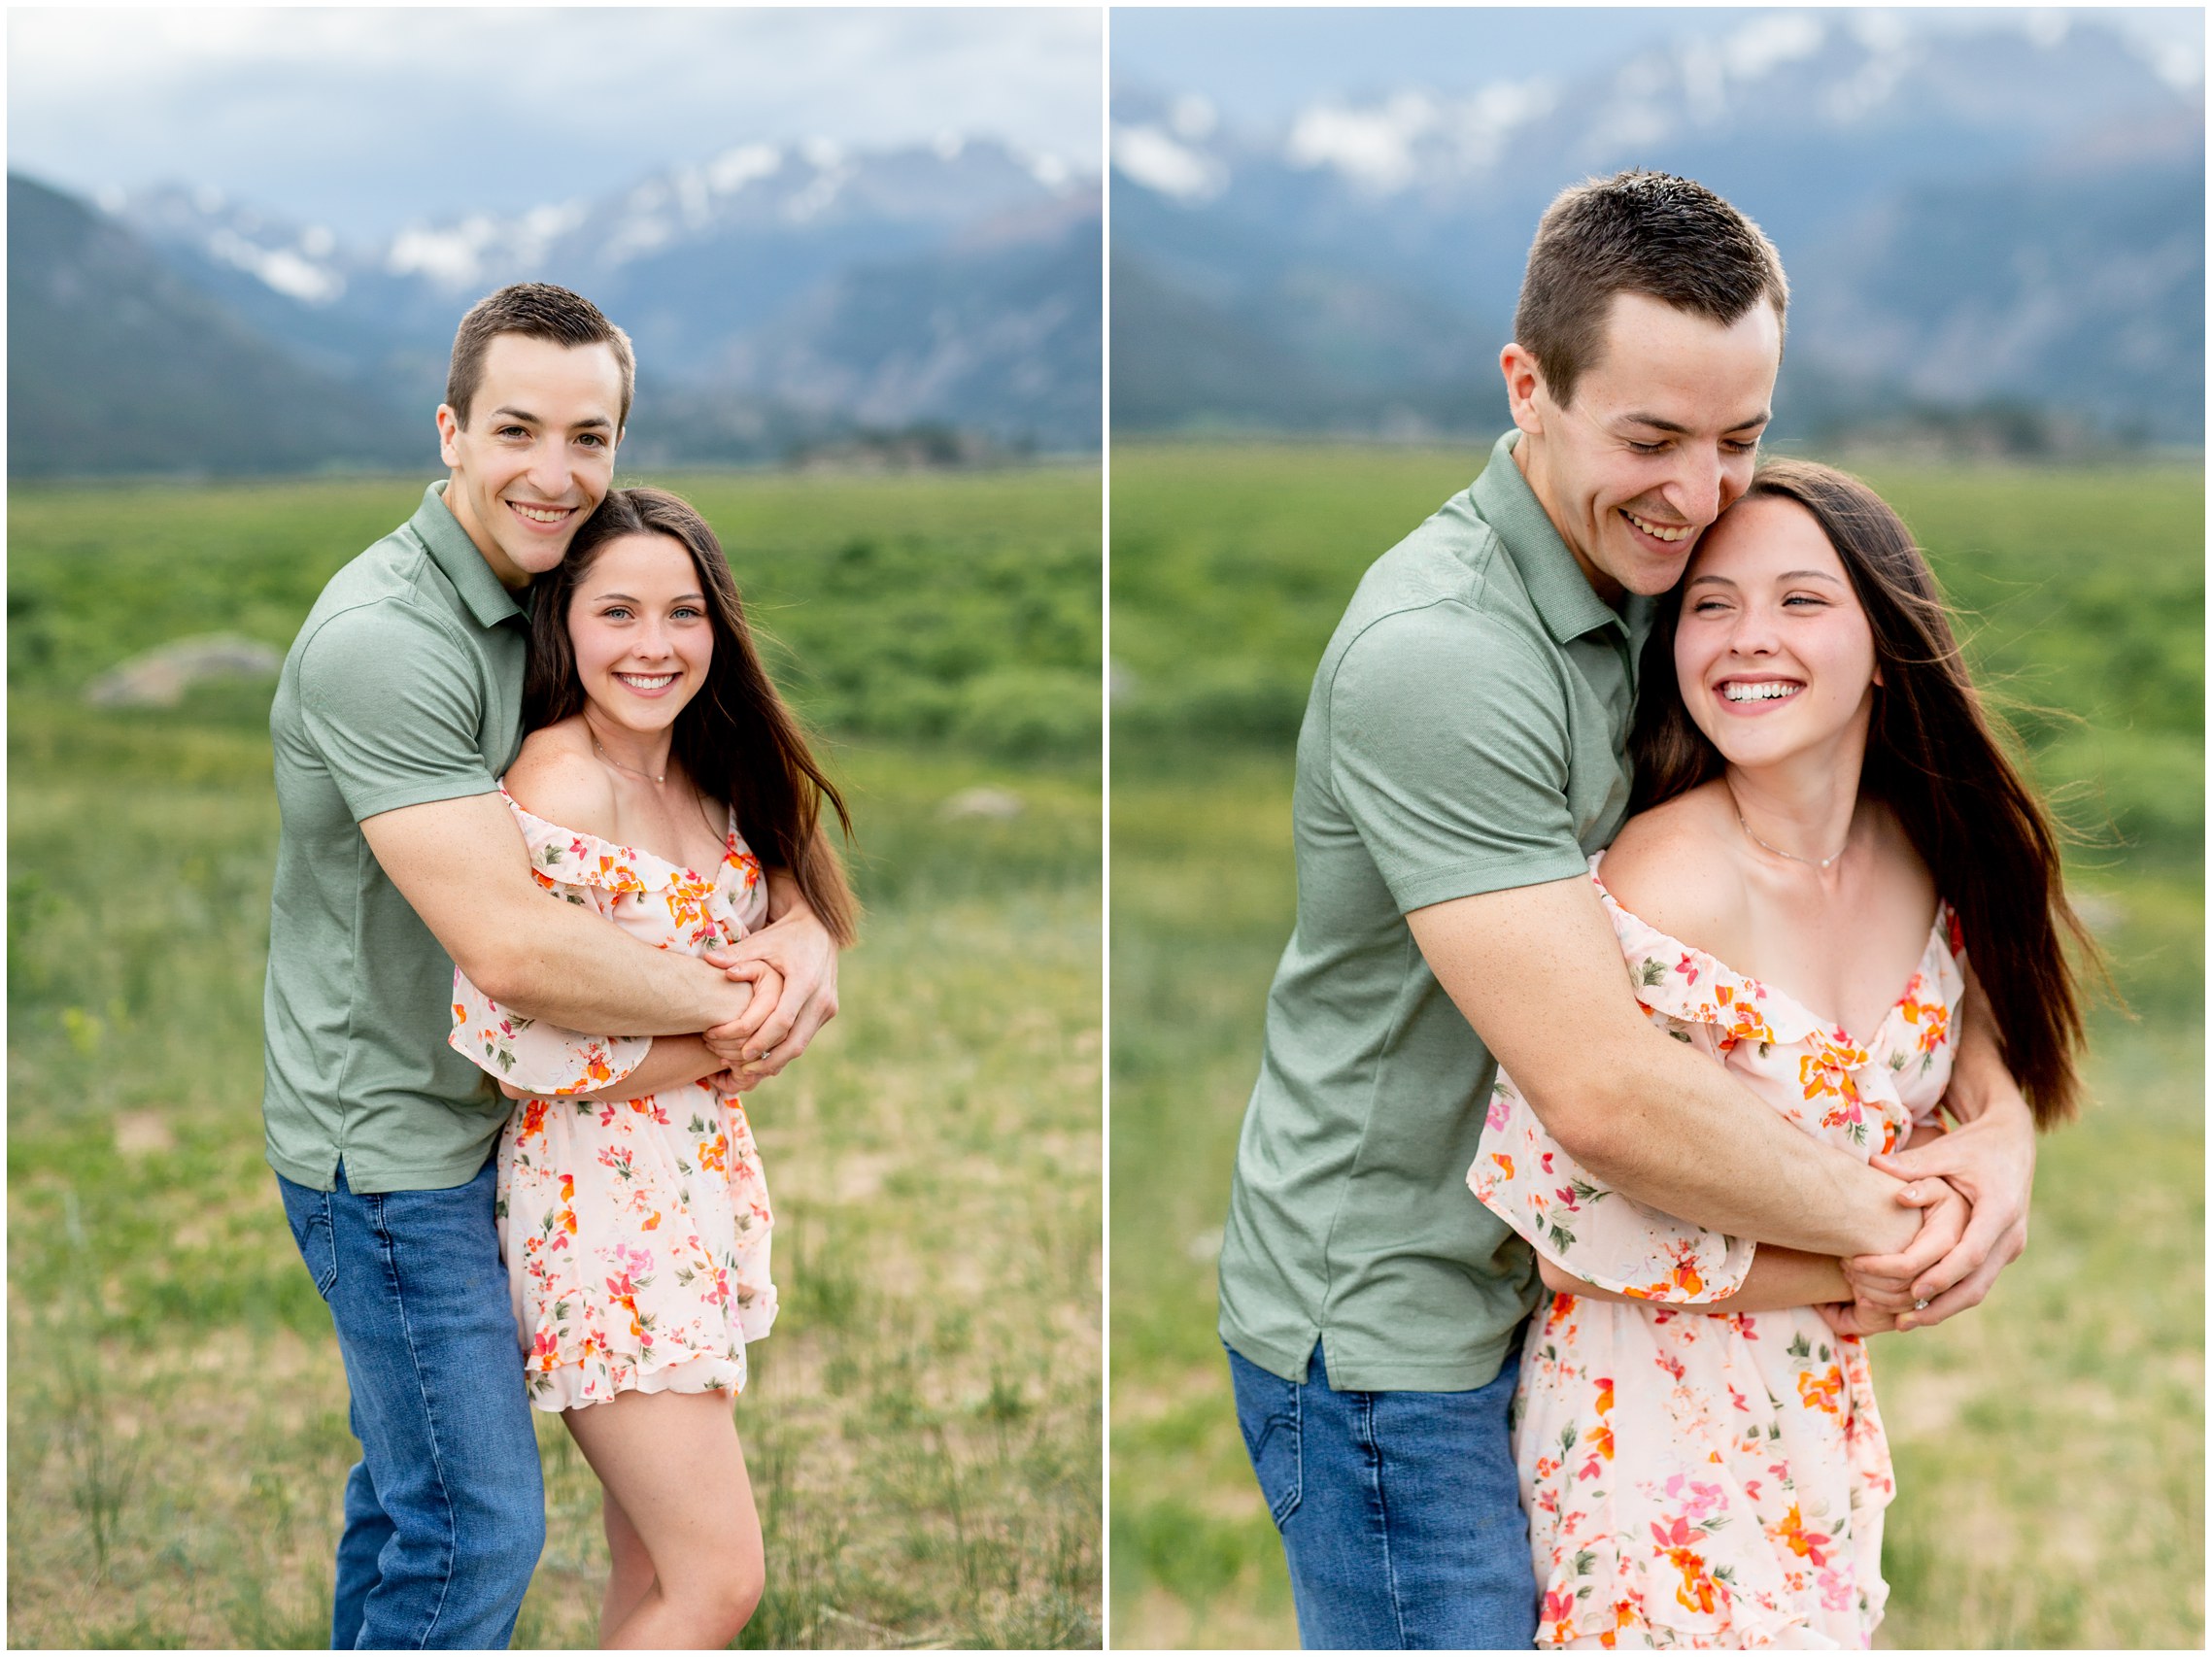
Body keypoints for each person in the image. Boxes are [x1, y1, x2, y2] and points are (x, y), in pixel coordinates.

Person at [1215, 172, 2040, 1650]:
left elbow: (1893, 857)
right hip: (1403, 1326)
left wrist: (1999, 1128)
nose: (1699, 492)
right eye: (1651, 438)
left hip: (1620, 1302)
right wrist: (1912, 1228)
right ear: (1527, 388)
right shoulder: (1444, 654)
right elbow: (1600, 1089)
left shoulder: (1682, 574)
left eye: (1742, 438)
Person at [263, 284, 841, 1649]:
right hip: (398, 1132)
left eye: (591, 437)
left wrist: (805, 929)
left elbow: (724, 824)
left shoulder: (560, 606)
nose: (557, 471)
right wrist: (744, 1007)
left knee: (416, 1501)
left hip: (533, 1128)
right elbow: (516, 948)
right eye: (518, 429)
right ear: (452, 431)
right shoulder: (387, 641)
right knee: (472, 1522)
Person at [1473, 459, 2089, 1647]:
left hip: (1816, 1432)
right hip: (1646, 1448)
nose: (1749, 637)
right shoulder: (1660, 881)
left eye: (1802, 600)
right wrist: (1882, 1268)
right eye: (1711, 603)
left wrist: (2004, 1133)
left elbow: (1962, 1033)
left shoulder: (1917, 849)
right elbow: (1565, 1234)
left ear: (1884, 636)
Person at [446, 486, 857, 1647]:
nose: (654, 644)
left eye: (684, 613)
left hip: (694, 1182)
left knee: (650, 1568)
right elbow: (510, 1036)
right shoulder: (556, 783)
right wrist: (724, 1039)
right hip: (596, 1204)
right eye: (617, 611)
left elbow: (800, 929)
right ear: (564, 624)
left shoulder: (714, 772)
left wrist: (802, 944)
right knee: (717, 1579)